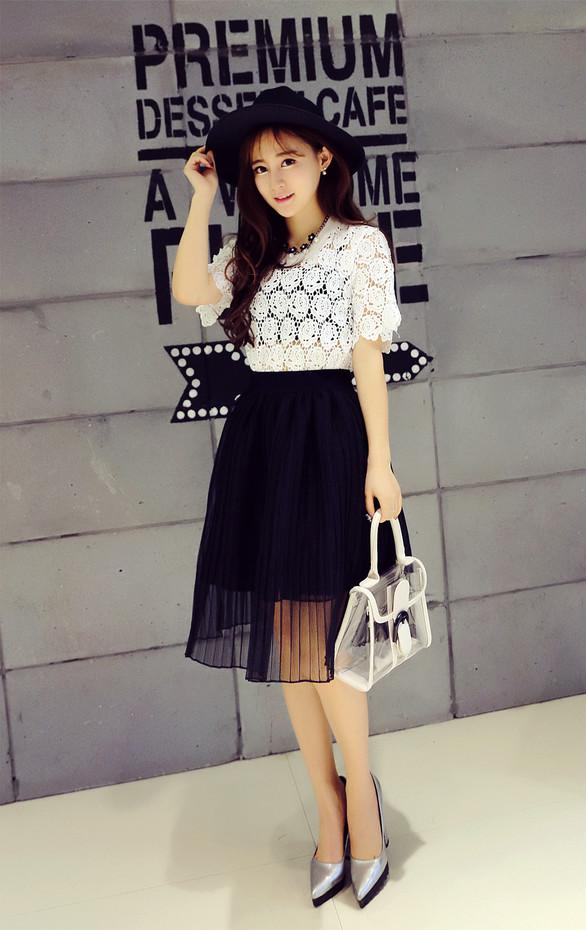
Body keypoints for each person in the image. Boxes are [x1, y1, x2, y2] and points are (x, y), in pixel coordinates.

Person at [171, 86, 412, 909]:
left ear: (324, 160)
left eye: (290, 160)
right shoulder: (251, 253)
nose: (276, 179)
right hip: (262, 444)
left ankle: (364, 809)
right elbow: (189, 291)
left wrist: (380, 463)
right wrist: (201, 196)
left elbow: (369, 359)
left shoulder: (359, 245)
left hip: (329, 439)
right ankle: (329, 815)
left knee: (332, 649)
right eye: (260, 168)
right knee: (290, 644)